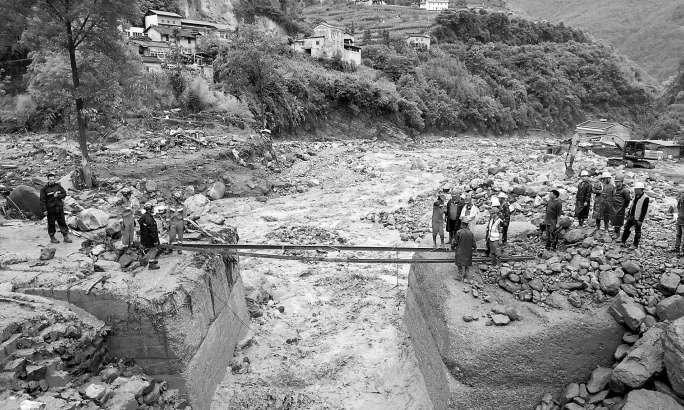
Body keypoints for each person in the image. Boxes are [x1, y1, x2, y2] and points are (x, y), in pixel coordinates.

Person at [39, 172, 71, 244]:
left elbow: (64, 193)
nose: (52, 181)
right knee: (51, 224)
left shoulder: (58, 186)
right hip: (51, 209)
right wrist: (44, 210)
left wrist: (58, 196)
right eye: (50, 179)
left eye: (53, 179)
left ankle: (65, 236)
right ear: (48, 180)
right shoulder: (44, 189)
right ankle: (52, 237)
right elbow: (42, 201)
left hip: (59, 207)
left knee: (62, 222)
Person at [621, 182, 649, 249]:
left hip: (638, 218)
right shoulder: (636, 195)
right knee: (627, 228)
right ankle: (623, 241)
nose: (635, 190)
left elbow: (644, 210)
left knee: (637, 231)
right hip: (632, 216)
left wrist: (640, 220)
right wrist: (629, 213)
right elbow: (632, 205)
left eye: (636, 189)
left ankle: (635, 245)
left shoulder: (645, 198)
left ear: (640, 189)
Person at [139, 202, 160, 267]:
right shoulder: (149, 218)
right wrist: (155, 240)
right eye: (152, 208)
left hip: (145, 237)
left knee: (150, 249)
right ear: (149, 209)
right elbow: (152, 231)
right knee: (154, 249)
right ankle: (151, 263)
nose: (153, 209)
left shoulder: (144, 216)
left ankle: (150, 260)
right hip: (150, 238)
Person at [674, 188, 684, 257]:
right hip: (679, 220)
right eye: (680, 194)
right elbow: (677, 208)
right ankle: (677, 248)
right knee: (678, 234)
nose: (681, 196)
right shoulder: (680, 201)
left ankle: (682, 251)